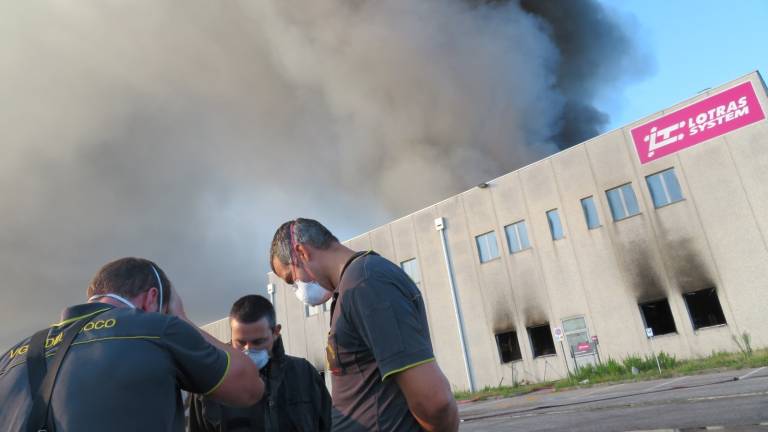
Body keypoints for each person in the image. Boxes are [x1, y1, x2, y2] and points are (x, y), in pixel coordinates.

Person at [0, 257, 264, 431]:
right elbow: (249, 386)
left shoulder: (12, 357)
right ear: (152, 298)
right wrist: (181, 319)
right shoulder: (158, 329)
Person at [270, 218, 459, 432]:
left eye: (291, 279)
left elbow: (434, 401)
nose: (297, 288)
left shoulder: (367, 284)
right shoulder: (352, 287)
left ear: (302, 252)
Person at [189, 294, 331, 432]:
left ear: (276, 332)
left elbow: (331, 425)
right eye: (241, 342)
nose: (249, 350)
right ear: (232, 335)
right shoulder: (211, 386)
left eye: (258, 342)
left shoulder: (304, 374)